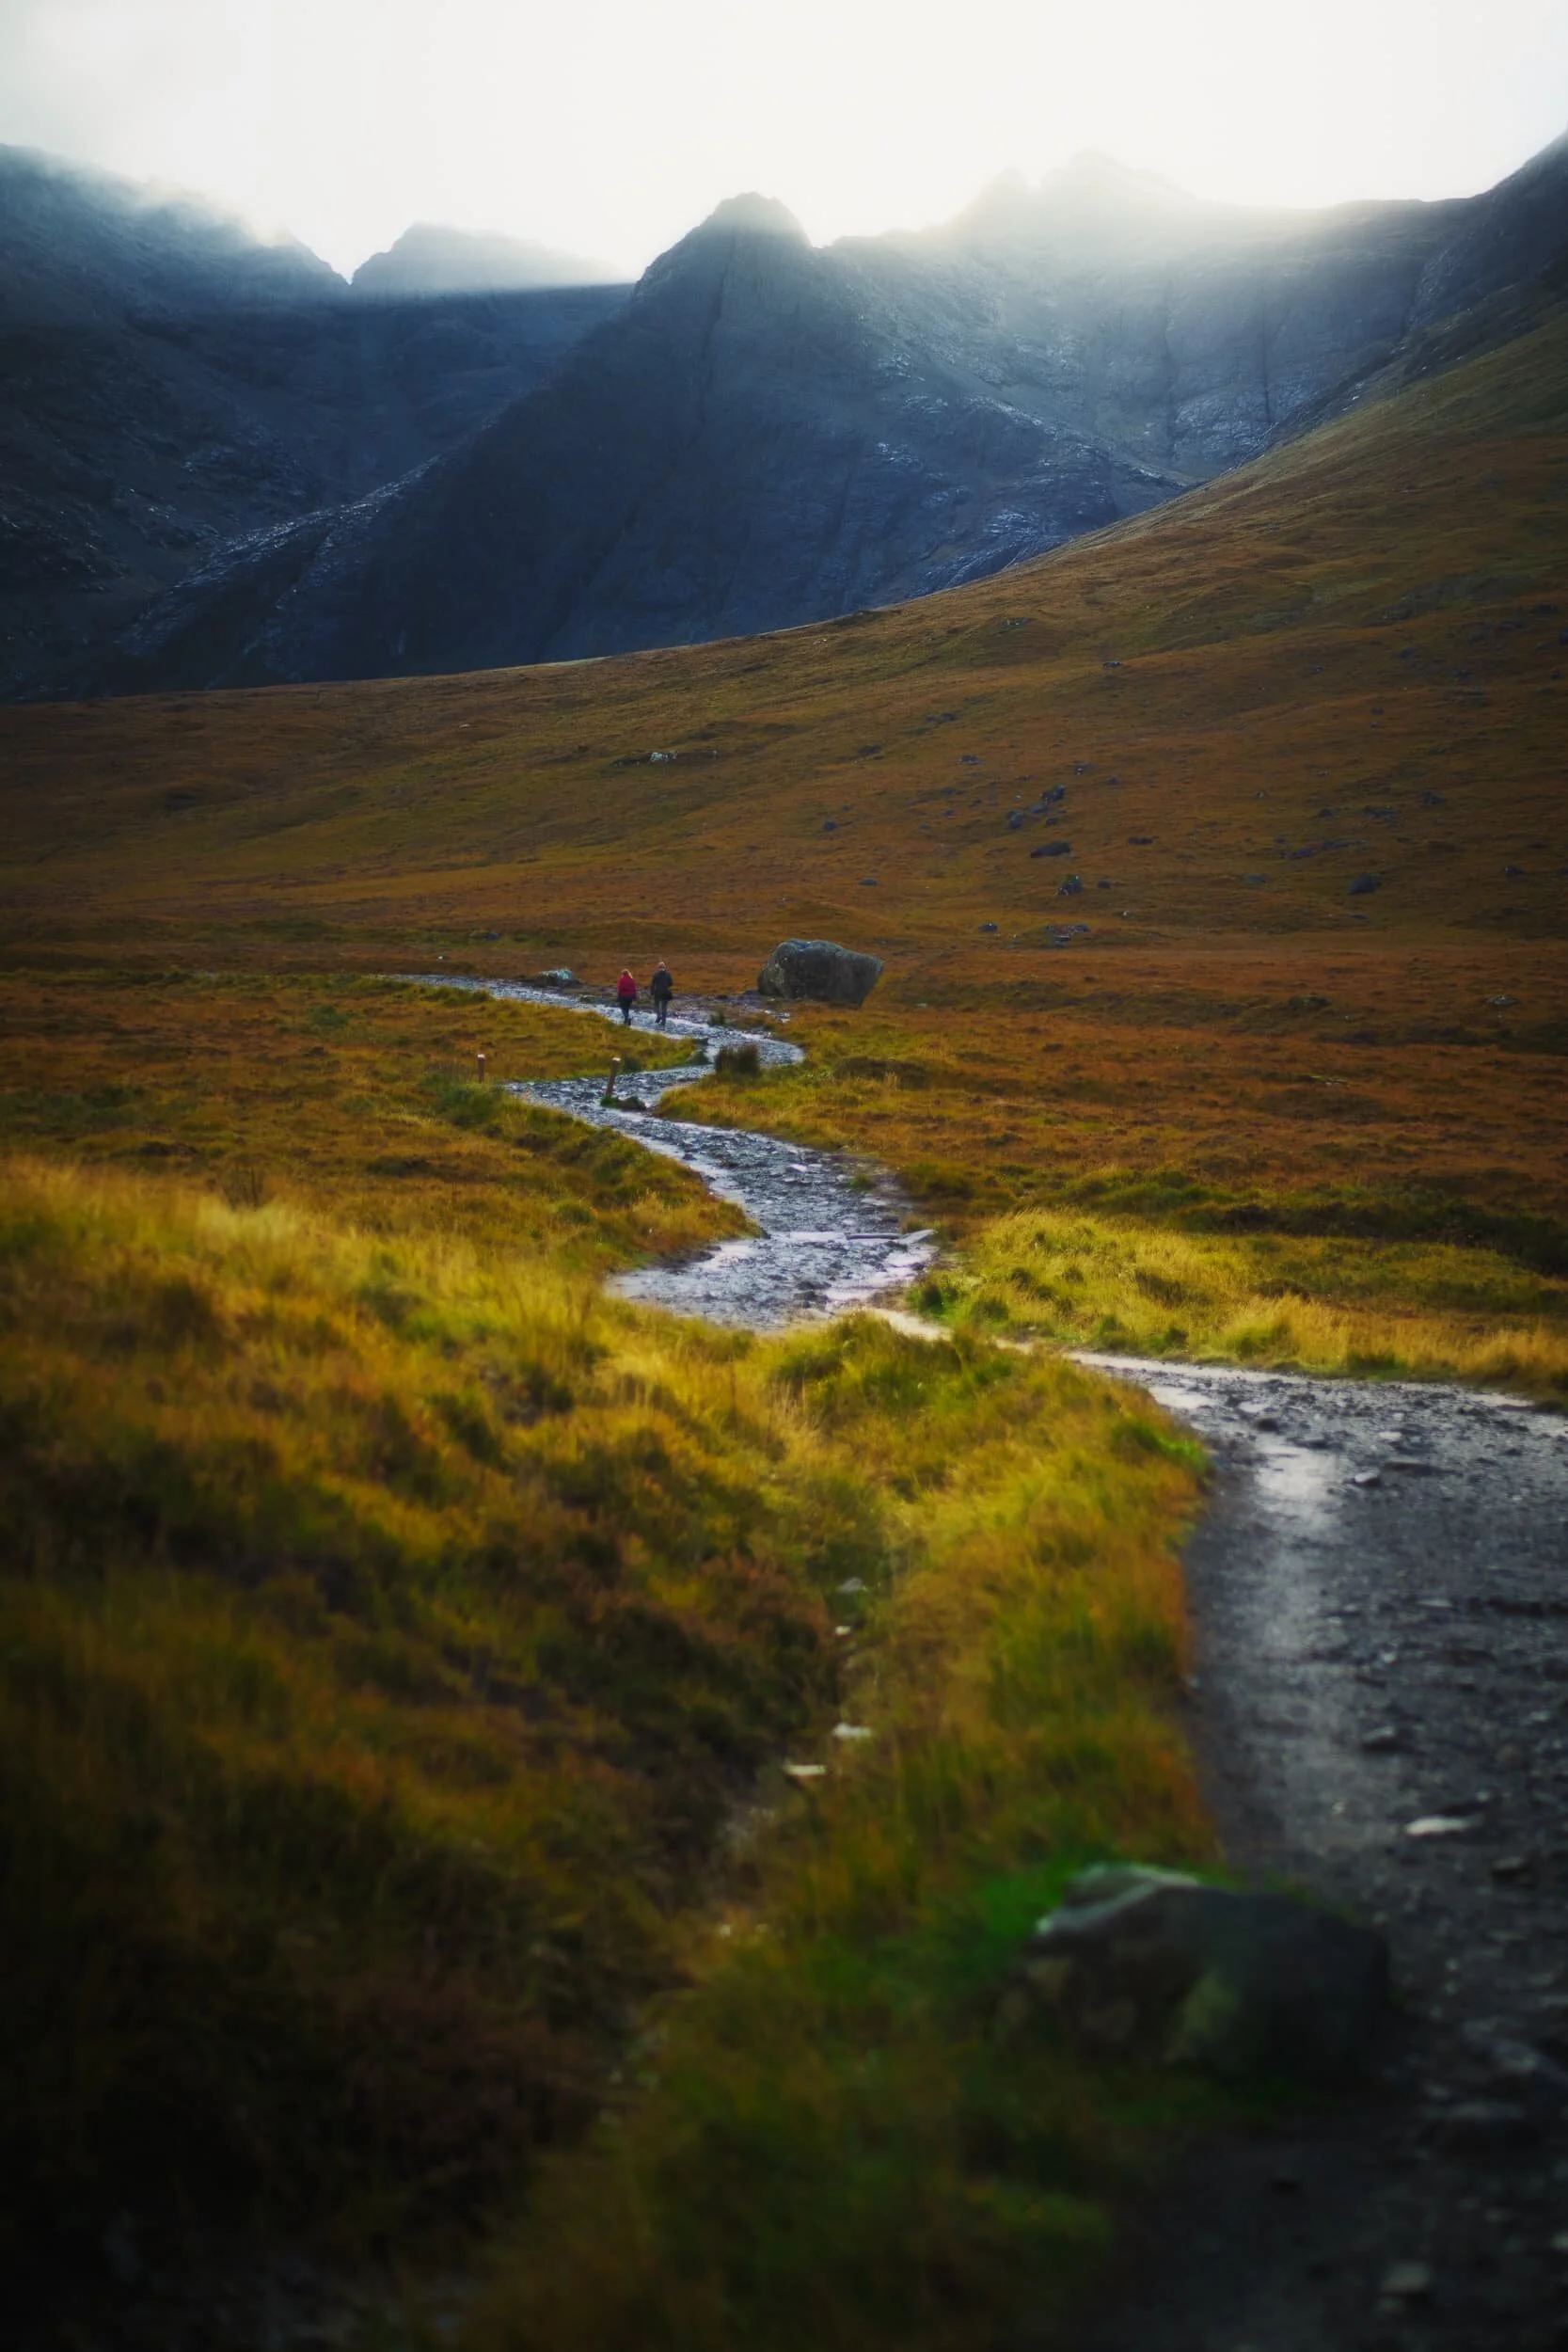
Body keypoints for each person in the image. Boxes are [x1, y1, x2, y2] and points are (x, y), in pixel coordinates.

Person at [649, 960, 673, 1025]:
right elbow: (671, 983)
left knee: (656, 1005)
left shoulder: (656, 974)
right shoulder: (668, 974)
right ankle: (663, 1022)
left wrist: (652, 993)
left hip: (658, 992)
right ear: (664, 967)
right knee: (664, 1008)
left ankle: (659, 1015)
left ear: (658, 967)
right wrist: (666, 985)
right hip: (666, 992)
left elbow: (653, 984)